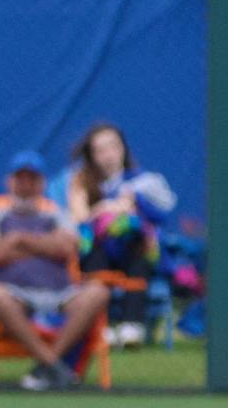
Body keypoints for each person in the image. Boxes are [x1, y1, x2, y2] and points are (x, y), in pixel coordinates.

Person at [0, 150, 110, 391]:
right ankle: (54, 365)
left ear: (42, 183)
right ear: (10, 182)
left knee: (98, 292)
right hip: (16, 293)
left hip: (60, 292)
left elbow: (67, 248)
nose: (26, 185)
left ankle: (47, 364)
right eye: (20, 179)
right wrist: (45, 246)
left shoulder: (57, 215)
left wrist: (18, 240)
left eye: (32, 179)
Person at [66, 123, 174, 348]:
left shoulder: (142, 181)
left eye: (113, 147)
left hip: (132, 251)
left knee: (140, 249)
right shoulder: (80, 181)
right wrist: (106, 208)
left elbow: (162, 212)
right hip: (97, 253)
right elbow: (79, 219)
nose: (109, 155)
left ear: (123, 149)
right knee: (95, 256)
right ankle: (99, 327)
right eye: (101, 150)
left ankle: (131, 327)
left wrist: (131, 206)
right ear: (91, 155)